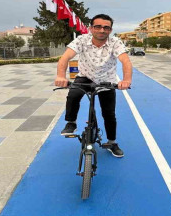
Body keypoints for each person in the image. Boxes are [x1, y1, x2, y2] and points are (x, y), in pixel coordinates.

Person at [54, 14, 132, 158]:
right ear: (91, 28)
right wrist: (60, 76)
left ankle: (111, 142)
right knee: (73, 95)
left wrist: (126, 80)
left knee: (109, 114)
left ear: (110, 30)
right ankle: (71, 122)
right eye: (98, 26)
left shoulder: (115, 42)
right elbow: (65, 57)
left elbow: (125, 61)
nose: (102, 30)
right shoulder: (81, 40)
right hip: (85, 77)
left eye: (106, 27)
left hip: (106, 80)